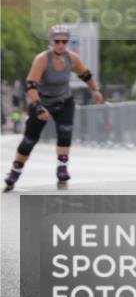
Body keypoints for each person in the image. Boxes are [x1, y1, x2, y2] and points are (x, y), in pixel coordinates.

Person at [3, 24, 104, 192]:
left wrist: (95, 90)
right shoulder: (42, 59)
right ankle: (15, 171)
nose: (61, 44)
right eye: (57, 41)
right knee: (29, 140)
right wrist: (38, 106)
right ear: (50, 41)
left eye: (64, 41)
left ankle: (62, 169)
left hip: (64, 101)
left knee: (65, 132)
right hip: (42, 101)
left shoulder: (72, 58)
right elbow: (31, 85)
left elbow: (85, 74)